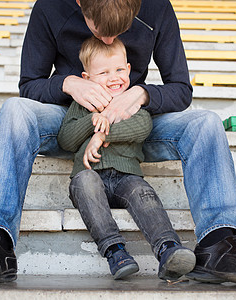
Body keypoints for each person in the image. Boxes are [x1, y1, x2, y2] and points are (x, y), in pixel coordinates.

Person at [0, 0, 236, 286]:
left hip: (133, 127)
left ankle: (221, 245)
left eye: (119, 33)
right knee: (15, 110)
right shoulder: (49, 7)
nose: (109, 41)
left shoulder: (158, 8)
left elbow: (181, 89)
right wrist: (68, 85)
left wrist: (142, 93)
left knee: (206, 123)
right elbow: (29, 84)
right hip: (70, 122)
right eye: (98, 30)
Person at [57, 36, 195, 280]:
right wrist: (92, 121)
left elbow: (142, 126)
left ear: (129, 70)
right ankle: (115, 251)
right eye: (104, 72)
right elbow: (66, 139)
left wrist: (102, 133)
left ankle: (167, 249)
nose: (114, 77)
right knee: (84, 183)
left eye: (120, 69)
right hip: (89, 177)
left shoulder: (130, 103)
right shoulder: (81, 106)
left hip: (126, 178)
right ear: (86, 79)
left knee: (143, 193)